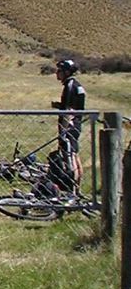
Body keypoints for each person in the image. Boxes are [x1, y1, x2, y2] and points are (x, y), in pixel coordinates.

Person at [51, 59, 86, 191]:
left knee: (70, 157)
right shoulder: (75, 85)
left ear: (66, 72)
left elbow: (69, 111)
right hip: (75, 124)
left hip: (70, 126)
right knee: (75, 155)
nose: (57, 73)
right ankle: (76, 188)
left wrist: (63, 131)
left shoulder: (70, 86)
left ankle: (73, 189)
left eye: (59, 71)